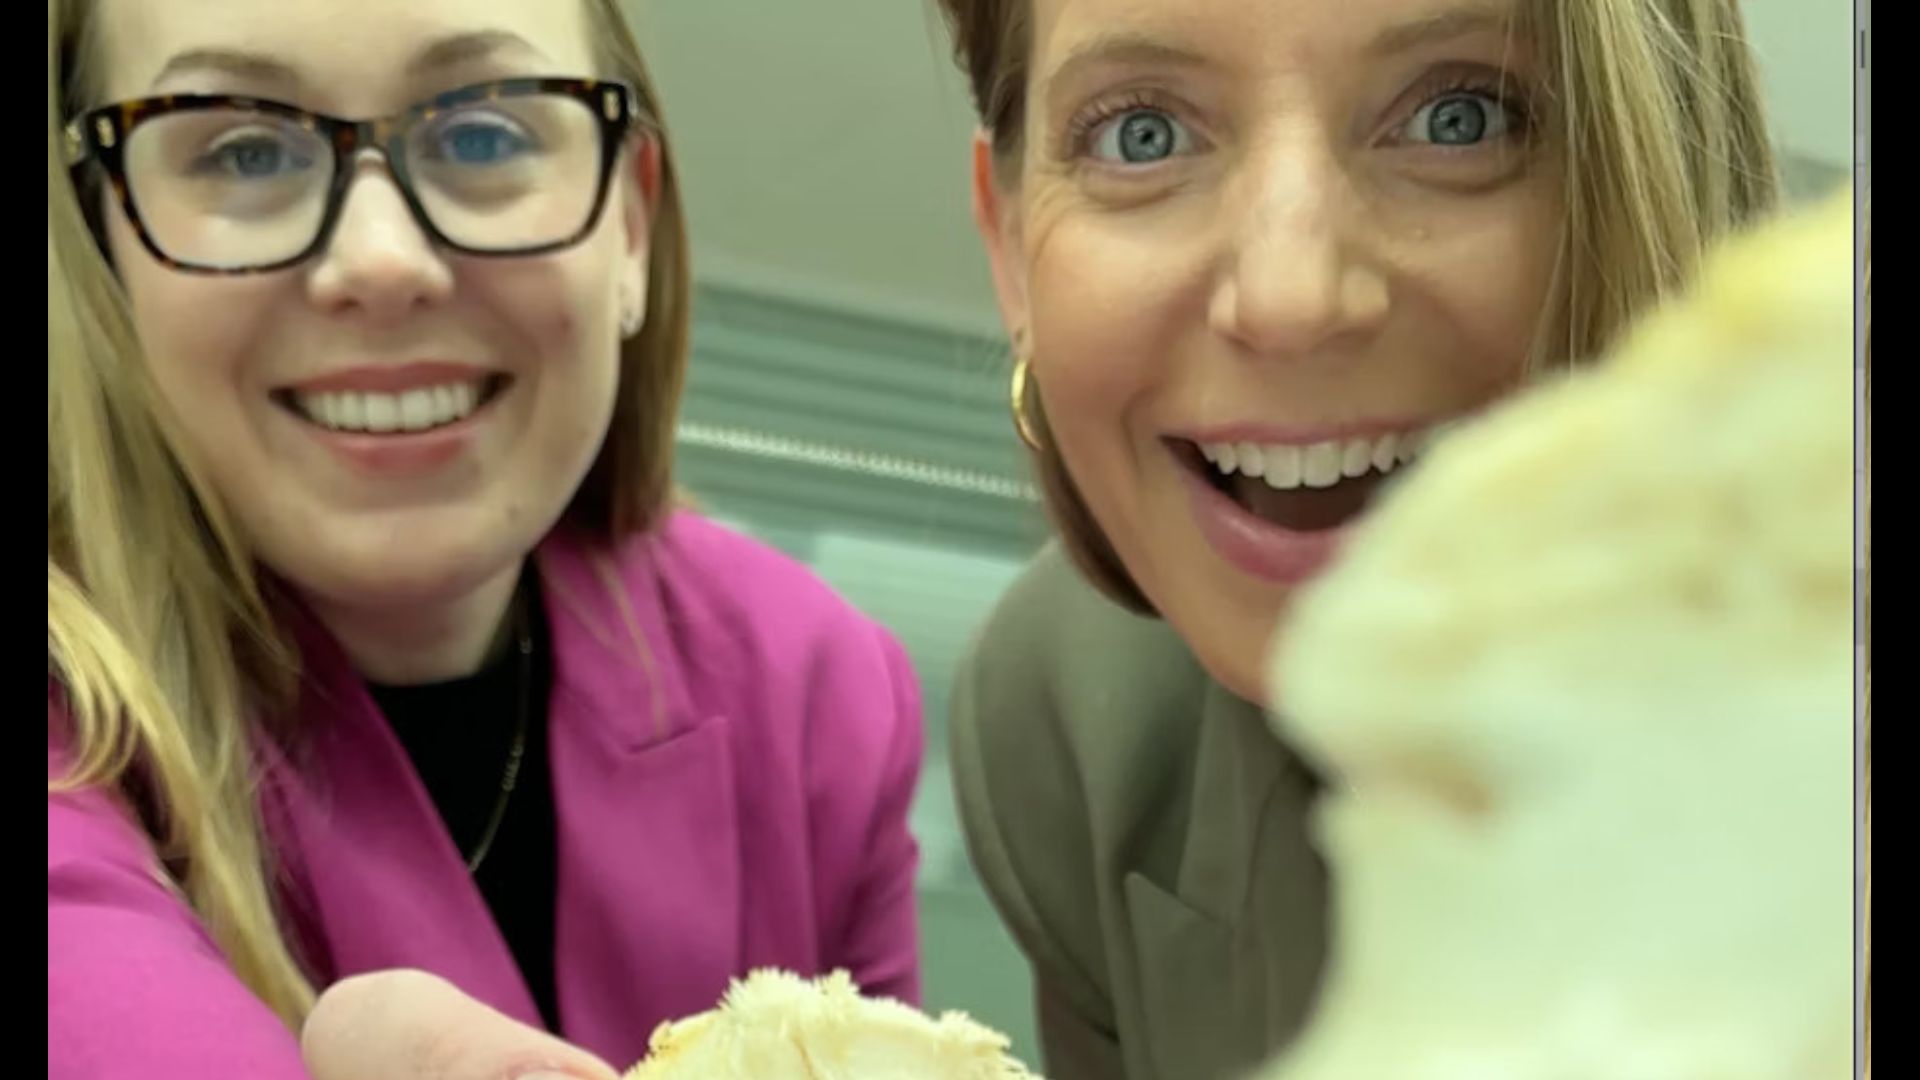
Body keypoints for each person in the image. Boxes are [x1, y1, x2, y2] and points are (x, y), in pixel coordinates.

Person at [47, 1, 924, 1075]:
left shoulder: (816, 691)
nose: (380, 261)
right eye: (241, 149)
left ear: (630, 231)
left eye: (483, 135)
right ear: (101, 249)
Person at [930, 0, 1779, 1077]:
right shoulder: (1066, 720)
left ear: (1670, 157)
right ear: (1011, 250)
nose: (1292, 299)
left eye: (1461, 116)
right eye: (1141, 133)